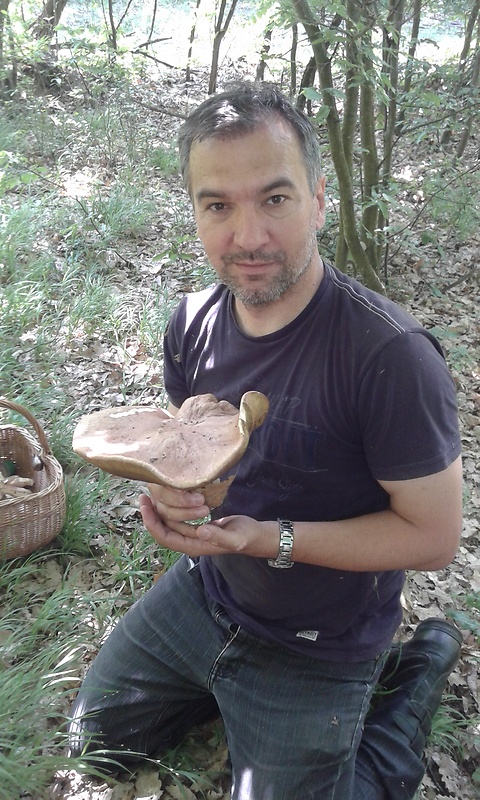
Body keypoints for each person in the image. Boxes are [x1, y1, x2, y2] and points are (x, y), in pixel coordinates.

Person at [69, 83, 464, 799]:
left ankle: (414, 682)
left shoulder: (389, 357)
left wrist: (268, 538)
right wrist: (171, 496)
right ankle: (223, 694)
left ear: (318, 198)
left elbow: (435, 537)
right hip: (208, 595)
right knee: (91, 746)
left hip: (322, 642)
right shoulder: (191, 322)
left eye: (274, 199)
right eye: (218, 204)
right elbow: (186, 450)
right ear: (193, 210)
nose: (247, 236)